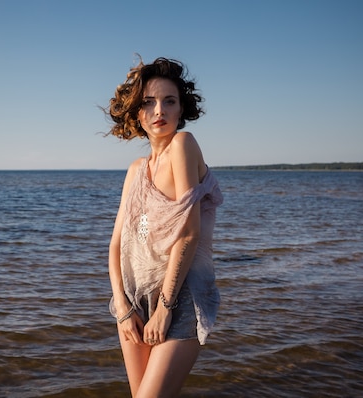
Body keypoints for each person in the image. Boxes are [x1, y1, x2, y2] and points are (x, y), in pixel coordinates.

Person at [105, 57, 224, 397]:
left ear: (180, 107)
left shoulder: (182, 145)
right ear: (137, 113)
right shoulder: (135, 170)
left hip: (179, 296)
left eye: (169, 101)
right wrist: (124, 309)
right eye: (148, 102)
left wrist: (165, 309)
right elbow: (116, 246)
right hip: (134, 298)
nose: (159, 110)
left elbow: (188, 233)